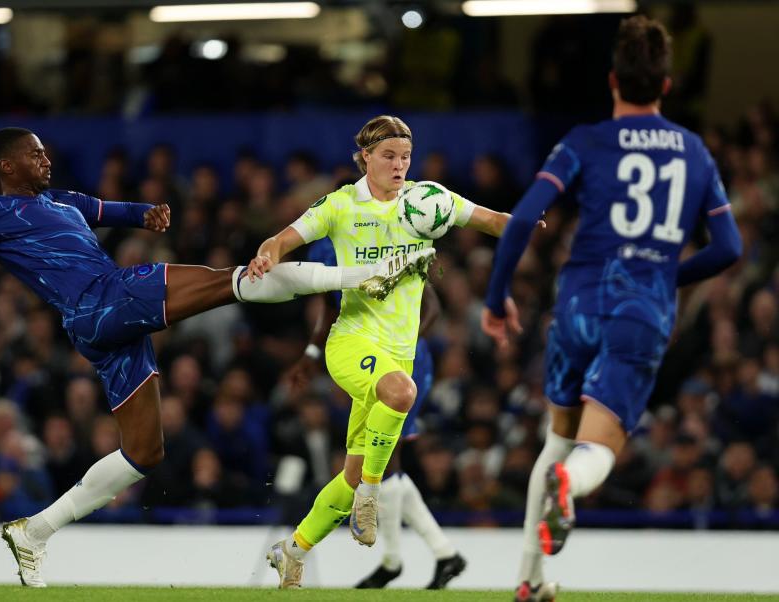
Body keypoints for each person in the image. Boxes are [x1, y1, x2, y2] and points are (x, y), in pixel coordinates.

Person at [0, 127, 433, 588]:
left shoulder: (58, 200)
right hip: (99, 301)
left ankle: (35, 531)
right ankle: (364, 275)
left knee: (145, 452)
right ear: (7, 165)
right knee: (228, 281)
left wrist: (147, 213)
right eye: (34, 155)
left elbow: (109, 209)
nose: (45, 160)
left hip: (106, 324)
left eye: (45, 153)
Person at [479, 17, 742, 602]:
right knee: (596, 448)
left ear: (612, 81)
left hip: (575, 305)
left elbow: (523, 218)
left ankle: (529, 578)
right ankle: (570, 488)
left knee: (557, 437)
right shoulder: (694, 152)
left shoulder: (584, 141)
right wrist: (668, 275)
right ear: (667, 86)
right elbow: (729, 247)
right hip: (639, 310)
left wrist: (497, 298)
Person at [251, 115, 511, 589]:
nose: (399, 165)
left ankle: (293, 551)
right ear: (365, 156)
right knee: (400, 394)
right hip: (351, 344)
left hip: (398, 352)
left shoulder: (427, 201)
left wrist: (529, 225)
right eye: (389, 156)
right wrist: (268, 252)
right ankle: (372, 496)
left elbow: (494, 221)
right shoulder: (340, 205)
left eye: (406, 157)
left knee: (348, 473)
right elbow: (284, 238)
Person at [287, 235, 467, 589]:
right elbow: (330, 306)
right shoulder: (326, 249)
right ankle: (438, 554)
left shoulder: (385, 241)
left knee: (387, 461)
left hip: (404, 364)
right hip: (366, 358)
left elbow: (431, 305)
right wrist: (311, 352)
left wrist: (404, 344)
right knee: (383, 462)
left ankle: (395, 560)